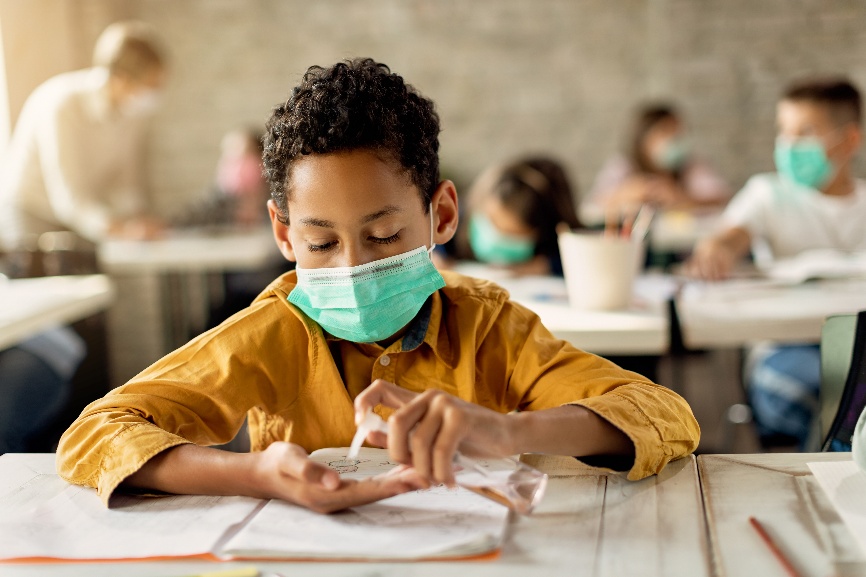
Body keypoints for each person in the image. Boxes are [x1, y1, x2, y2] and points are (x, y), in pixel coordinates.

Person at [57, 58, 700, 514]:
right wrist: (254, 472)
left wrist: (510, 432)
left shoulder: (488, 328)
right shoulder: (273, 332)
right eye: (320, 243)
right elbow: (99, 432)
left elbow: (664, 414)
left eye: (385, 236)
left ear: (441, 215)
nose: (352, 268)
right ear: (284, 235)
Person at [688, 77, 866, 448]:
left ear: (849, 140)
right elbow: (730, 235)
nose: (789, 145)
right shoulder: (768, 194)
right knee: (837, 402)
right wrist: (717, 250)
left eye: (806, 132)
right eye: (784, 131)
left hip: (858, 348)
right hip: (786, 351)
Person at [0, 20, 167, 251]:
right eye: (149, 85)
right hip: (31, 210)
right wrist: (120, 230)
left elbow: (125, 179)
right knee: (49, 282)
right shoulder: (62, 105)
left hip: (79, 216)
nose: (153, 94)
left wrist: (137, 218)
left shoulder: (132, 113)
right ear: (121, 78)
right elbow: (69, 199)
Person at [439, 156, 581, 276]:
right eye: (491, 222)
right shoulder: (454, 220)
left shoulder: (558, 249)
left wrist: (546, 266)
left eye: (510, 236)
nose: (496, 237)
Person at [585, 103, 731, 217]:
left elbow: (721, 199)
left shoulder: (692, 165)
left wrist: (682, 199)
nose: (674, 139)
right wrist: (625, 194)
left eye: (678, 132)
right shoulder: (623, 165)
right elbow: (592, 206)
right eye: (665, 132)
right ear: (644, 138)